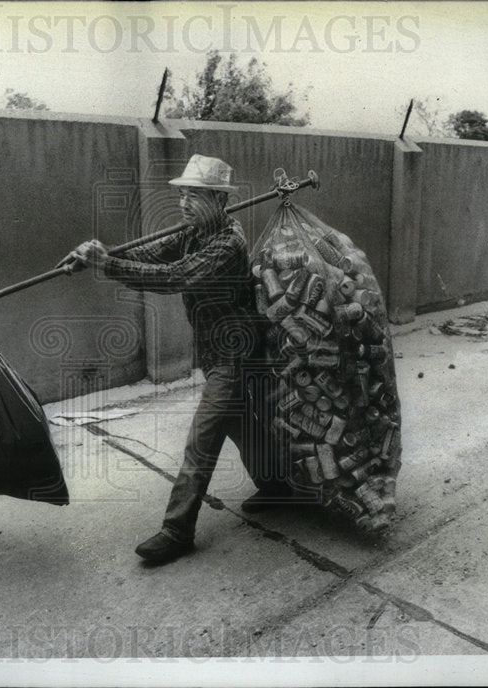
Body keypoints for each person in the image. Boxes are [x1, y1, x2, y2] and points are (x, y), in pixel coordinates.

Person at [66, 154, 292, 565]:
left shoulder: (228, 242)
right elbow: (154, 255)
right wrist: (98, 255)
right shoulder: (193, 231)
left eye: (195, 196)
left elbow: (175, 277)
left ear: (219, 202)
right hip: (212, 348)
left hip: (237, 349)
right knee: (238, 422)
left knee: (201, 439)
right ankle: (277, 486)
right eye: (182, 195)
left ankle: (177, 529)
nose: (184, 204)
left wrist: (108, 265)